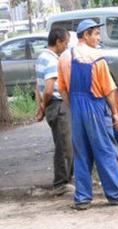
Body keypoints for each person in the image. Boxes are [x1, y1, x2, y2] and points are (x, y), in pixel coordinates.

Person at [57, 19, 118, 210]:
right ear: (85, 35)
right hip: (96, 107)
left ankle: (82, 199)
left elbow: (62, 90)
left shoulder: (64, 57)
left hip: (76, 109)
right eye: (96, 34)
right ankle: (116, 195)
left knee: (81, 154)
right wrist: (115, 114)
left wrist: (74, 108)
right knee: (105, 151)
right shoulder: (97, 58)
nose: (98, 38)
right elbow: (109, 90)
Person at [35, 27, 73, 195]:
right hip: (57, 105)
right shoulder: (51, 61)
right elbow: (49, 90)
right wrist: (47, 102)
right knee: (65, 146)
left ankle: (67, 178)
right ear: (58, 42)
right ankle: (61, 183)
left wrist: (42, 105)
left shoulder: (41, 57)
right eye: (65, 43)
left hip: (51, 106)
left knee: (63, 143)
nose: (66, 46)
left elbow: (38, 86)